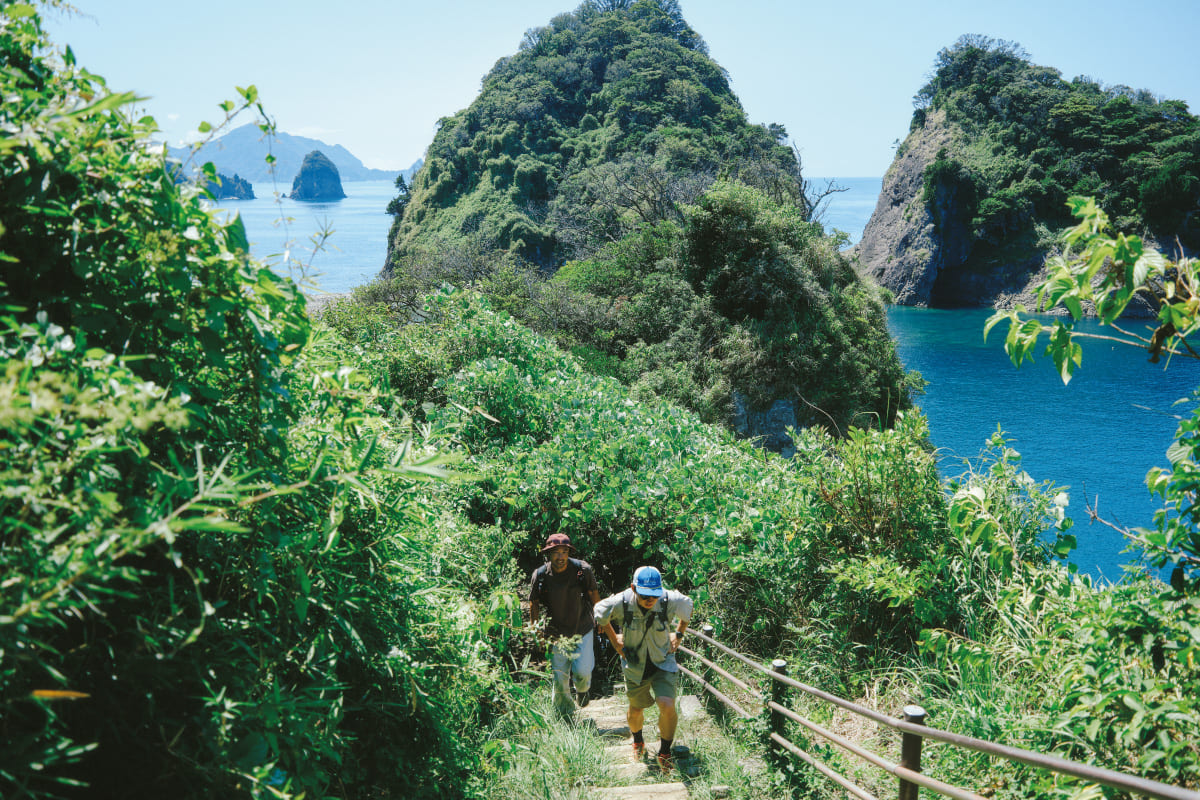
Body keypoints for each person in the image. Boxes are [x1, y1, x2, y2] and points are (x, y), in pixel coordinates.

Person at [594, 565, 693, 772]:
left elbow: (688, 606)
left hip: (662, 661)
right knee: (636, 708)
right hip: (634, 664)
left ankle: (665, 752)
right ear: (633, 588)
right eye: (645, 595)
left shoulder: (668, 599)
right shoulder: (622, 601)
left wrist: (679, 634)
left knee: (667, 704)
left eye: (654, 595)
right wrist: (615, 641)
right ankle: (637, 740)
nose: (650, 599)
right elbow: (599, 611)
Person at [529, 533, 602, 716]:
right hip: (555, 632)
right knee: (560, 678)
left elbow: (593, 594)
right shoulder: (540, 575)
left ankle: (582, 689)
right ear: (548, 554)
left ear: (569, 553)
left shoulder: (581, 570)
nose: (560, 557)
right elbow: (534, 603)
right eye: (556, 552)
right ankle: (565, 716)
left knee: (583, 671)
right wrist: (536, 631)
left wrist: (601, 617)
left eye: (564, 552)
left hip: (582, 627)